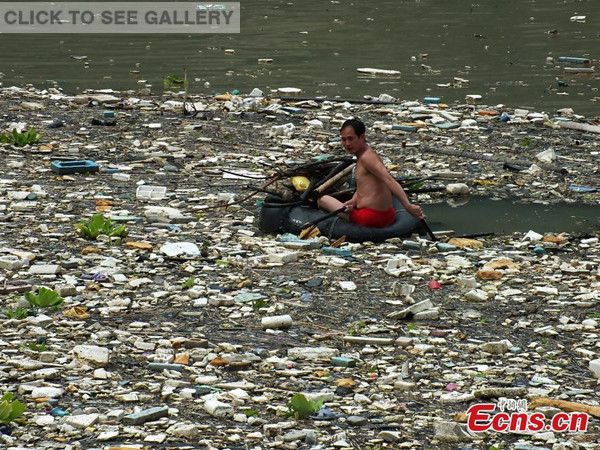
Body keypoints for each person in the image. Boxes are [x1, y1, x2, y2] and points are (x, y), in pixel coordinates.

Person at [317, 118, 424, 228]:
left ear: (362, 137)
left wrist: (408, 206)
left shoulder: (367, 158)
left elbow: (389, 180)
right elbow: (364, 185)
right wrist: (353, 201)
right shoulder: (367, 154)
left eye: (351, 139)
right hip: (386, 215)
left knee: (322, 199)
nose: (347, 144)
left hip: (371, 218)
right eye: (344, 140)